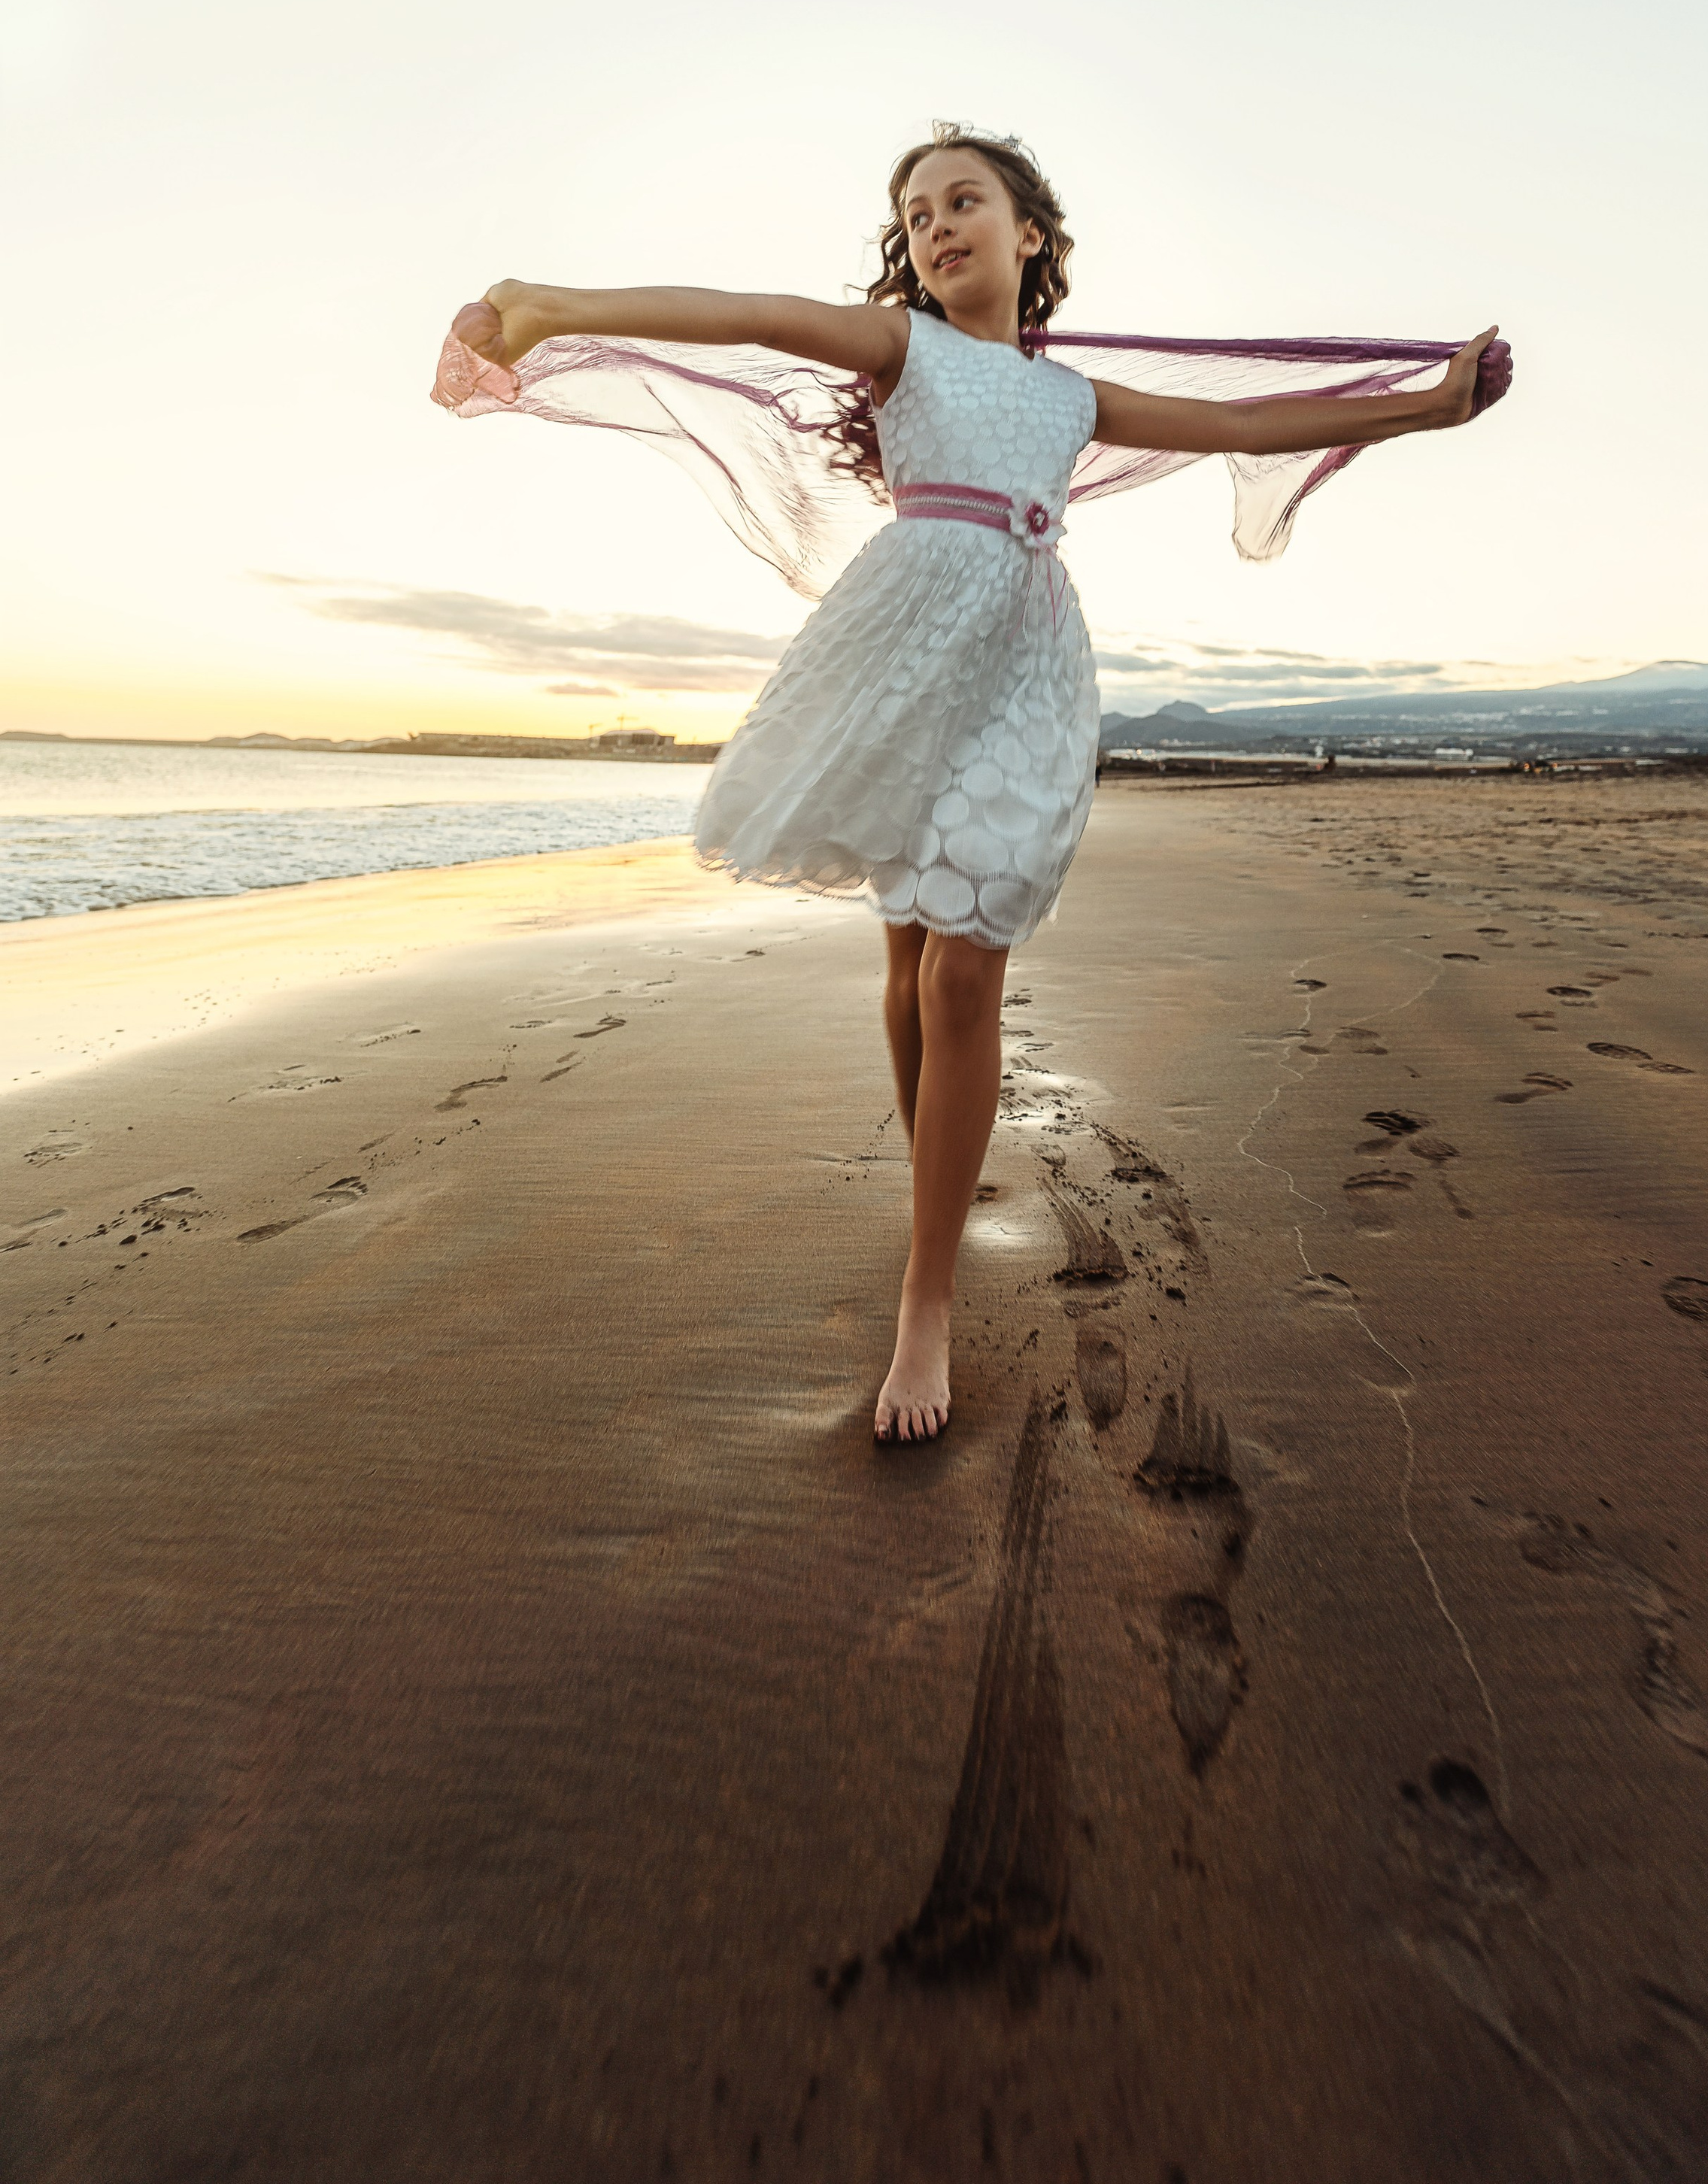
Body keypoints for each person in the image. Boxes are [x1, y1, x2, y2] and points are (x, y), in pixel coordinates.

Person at [439, 125, 1503, 1445]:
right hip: (898, 658)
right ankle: (936, 1184)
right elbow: (749, 316)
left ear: (1030, 236)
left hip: (1025, 668)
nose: (939, 226)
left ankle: (925, 1299)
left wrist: (1426, 408)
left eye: (966, 202)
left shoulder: (1075, 399)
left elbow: (1245, 421)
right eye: (918, 213)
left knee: (960, 963)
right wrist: (558, 309)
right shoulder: (904, 349)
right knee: (905, 960)